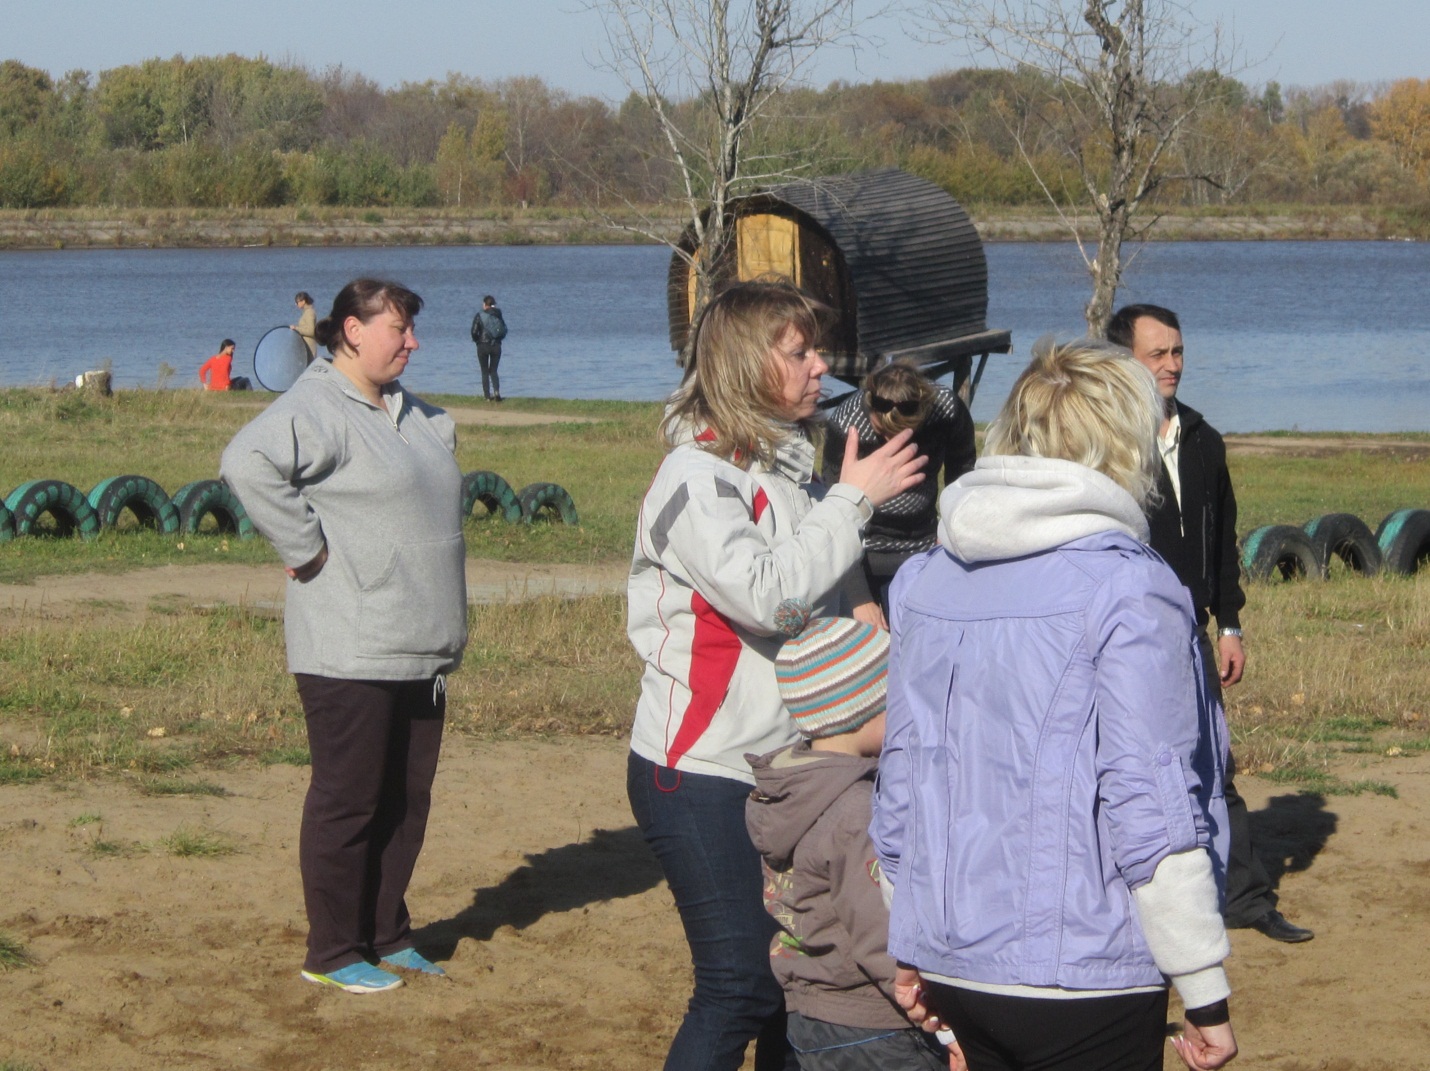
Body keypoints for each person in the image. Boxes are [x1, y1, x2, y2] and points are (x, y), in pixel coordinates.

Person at [872, 338, 1238, 1071]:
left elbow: (902, 780)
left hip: (953, 957)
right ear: (1123, 442)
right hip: (1083, 976)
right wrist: (1206, 993)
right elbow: (1152, 797)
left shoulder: (926, 579)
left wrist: (908, 934)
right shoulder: (1130, 588)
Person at [626, 279, 927, 1071]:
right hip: (701, 772)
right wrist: (853, 504)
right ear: (745, 363)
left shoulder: (794, 474)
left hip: (796, 770)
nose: (821, 367)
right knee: (738, 985)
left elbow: (847, 599)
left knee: (796, 986)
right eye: (800, 352)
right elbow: (766, 597)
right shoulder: (693, 480)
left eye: (816, 350)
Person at [221, 278, 467, 995]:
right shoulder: (315, 405)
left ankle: (386, 931)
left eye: (412, 329)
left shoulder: (419, 415)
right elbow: (246, 462)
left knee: (405, 799)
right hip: (349, 644)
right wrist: (307, 548)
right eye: (399, 328)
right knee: (350, 797)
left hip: (421, 643)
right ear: (352, 332)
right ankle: (332, 948)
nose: (412, 341)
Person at [1107, 303, 1314, 945]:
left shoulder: (1203, 438)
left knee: (1214, 764)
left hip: (1192, 633)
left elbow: (1222, 541)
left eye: (1177, 353)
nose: (1171, 366)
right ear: (1124, 363)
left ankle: (1243, 899)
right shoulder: (1104, 446)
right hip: (1125, 634)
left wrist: (1230, 625)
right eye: (1156, 354)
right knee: (1130, 769)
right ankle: (1125, 907)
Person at [746, 616, 953, 1071]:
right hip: (877, 1024)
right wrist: (940, 1016)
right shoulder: (856, 811)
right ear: (867, 710)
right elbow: (881, 933)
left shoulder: (793, 792)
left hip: (812, 1013)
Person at [820, 360, 976, 627]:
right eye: (883, 433)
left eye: (905, 435)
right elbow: (834, 515)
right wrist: (859, 599)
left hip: (923, 548)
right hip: (862, 555)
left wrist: (949, 532)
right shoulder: (847, 423)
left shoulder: (947, 410)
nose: (892, 446)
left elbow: (962, 476)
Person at [470, 294, 507, 401]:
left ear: (485, 305)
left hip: (482, 345)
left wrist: (477, 340)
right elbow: (504, 330)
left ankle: (487, 396)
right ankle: (497, 392)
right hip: (496, 346)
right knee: (494, 370)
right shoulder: (499, 315)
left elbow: (473, 331)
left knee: (484, 371)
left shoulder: (479, 315)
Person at [290, 291, 317, 364]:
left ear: (303, 301)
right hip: (305, 348)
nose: (296, 304)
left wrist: (296, 328)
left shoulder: (309, 313)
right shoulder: (307, 312)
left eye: (297, 302)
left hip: (309, 349)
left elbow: (311, 331)